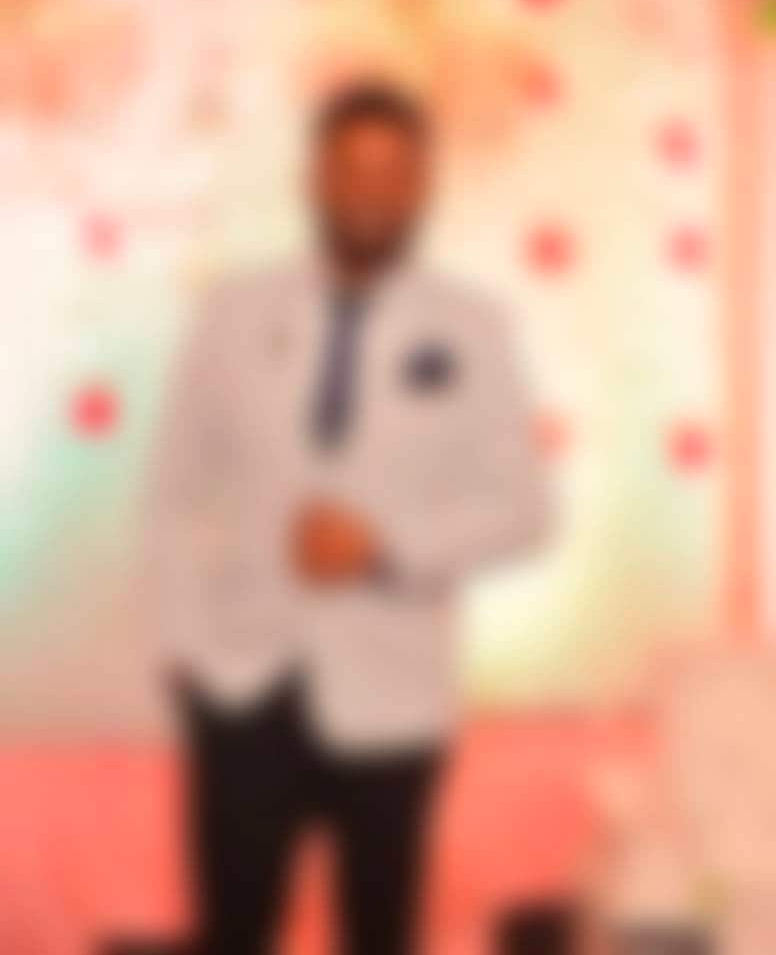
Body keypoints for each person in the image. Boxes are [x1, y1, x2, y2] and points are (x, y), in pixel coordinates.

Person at [145, 82, 552, 955]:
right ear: (314, 178)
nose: (372, 189)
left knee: (380, 936)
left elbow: (525, 509)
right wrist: (186, 646)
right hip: (243, 684)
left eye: (395, 171)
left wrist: (387, 547)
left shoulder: (474, 327)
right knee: (231, 933)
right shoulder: (234, 311)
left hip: (393, 696)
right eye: (352, 167)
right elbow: (174, 489)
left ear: (423, 186)